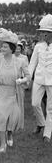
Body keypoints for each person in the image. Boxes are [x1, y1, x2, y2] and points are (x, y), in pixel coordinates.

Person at [0, 29, 30, 153]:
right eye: (2, 47)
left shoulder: (20, 61)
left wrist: (21, 81)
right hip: (0, 93)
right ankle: (2, 143)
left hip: (13, 94)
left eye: (5, 47)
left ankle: (10, 133)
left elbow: (28, 76)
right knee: (0, 117)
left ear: (11, 48)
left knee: (12, 118)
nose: (2, 49)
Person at [28, 14, 52, 142]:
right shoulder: (38, 46)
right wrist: (27, 78)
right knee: (35, 103)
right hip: (38, 79)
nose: (43, 35)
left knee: (50, 108)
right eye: (42, 32)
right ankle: (41, 123)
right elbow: (32, 64)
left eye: (46, 32)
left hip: (51, 80)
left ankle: (47, 134)